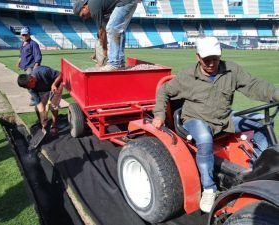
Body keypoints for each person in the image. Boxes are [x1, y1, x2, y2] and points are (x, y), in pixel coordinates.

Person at [152, 36, 279, 213]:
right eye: (206, 60)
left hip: (224, 118)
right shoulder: (187, 76)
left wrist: (276, 94)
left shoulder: (231, 70)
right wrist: (159, 115)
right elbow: (164, 91)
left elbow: (254, 85)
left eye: (215, 59)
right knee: (204, 138)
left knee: (261, 121)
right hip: (195, 119)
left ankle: (262, 168)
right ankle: (209, 188)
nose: (212, 64)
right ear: (197, 57)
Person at [73, 0, 139, 71]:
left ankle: (114, 64)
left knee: (112, 28)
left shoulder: (93, 7)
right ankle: (119, 63)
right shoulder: (100, 6)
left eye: (83, 15)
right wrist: (97, 52)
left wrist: (105, 50)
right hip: (128, 2)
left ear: (84, 7)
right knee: (118, 30)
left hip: (125, 2)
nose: (84, 18)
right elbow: (102, 31)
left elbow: (102, 31)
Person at [17, 66, 63, 136]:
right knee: (37, 108)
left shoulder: (43, 72)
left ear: (31, 80)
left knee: (53, 106)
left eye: (29, 86)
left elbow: (61, 74)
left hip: (56, 85)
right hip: (44, 89)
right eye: (27, 88)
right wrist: (43, 118)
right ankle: (43, 124)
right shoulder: (30, 88)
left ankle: (54, 125)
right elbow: (39, 103)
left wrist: (54, 84)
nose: (29, 89)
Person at [16, 27, 42, 106]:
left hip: (31, 66)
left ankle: (35, 99)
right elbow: (22, 54)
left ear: (28, 34)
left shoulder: (33, 44)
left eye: (25, 35)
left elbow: (38, 56)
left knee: (29, 84)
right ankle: (35, 97)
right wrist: (19, 61)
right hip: (25, 66)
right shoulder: (23, 43)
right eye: (22, 35)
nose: (23, 36)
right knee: (30, 84)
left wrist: (36, 66)